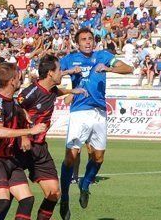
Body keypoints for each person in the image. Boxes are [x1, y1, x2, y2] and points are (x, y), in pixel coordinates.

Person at [0, 55, 86, 220]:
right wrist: (26, 134)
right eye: (60, 70)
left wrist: (71, 91)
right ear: (50, 73)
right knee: (4, 196)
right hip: (20, 147)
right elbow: (17, 106)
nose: (62, 73)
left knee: (52, 193)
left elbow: (53, 93)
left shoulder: (51, 90)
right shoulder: (29, 93)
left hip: (39, 148)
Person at [58, 28, 133, 220]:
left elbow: (128, 68)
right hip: (79, 113)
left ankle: (85, 184)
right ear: (77, 43)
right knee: (70, 157)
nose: (87, 42)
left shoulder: (103, 56)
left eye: (90, 39)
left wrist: (108, 68)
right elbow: (52, 76)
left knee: (98, 158)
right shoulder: (69, 59)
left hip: (99, 113)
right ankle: (65, 197)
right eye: (83, 39)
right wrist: (68, 73)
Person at [0, 62, 47, 220]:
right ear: (12, 81)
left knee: (27, 200)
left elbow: (18, 113)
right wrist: (29, 131)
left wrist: (25, 121)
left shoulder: (11, 101)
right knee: (2, 201)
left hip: (10, 158)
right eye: (18, 77)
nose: (21, 79)